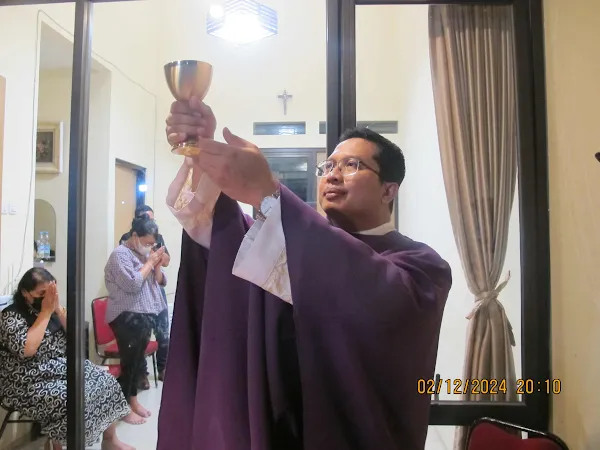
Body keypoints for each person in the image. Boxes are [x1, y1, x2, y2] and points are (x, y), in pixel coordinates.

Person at [158, 98, 452, 450]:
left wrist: (267, 193)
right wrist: (200, 152)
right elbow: (223, 241)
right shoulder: (283, 246)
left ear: (389, 190)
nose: (333, 174)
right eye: (328, 165)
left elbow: (376, 300)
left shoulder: (422, 267)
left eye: (352, 165)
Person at [0, 268, 137, 450]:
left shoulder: (50, 309)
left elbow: (76, 336)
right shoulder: (11, 316)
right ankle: (59, 445)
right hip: (26, 380)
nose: (46, 298)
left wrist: (57, 309)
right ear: (25, 292)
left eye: (51, 292)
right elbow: (28, 349)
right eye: (41, 293)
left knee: (106, 381)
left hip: (59, 369)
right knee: (74, 396)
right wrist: (46, 313)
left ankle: (110, 440)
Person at [105, 215, 168, 421]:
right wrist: (149, 262)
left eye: (151, 244)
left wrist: (156, 264)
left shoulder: (144, 255)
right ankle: (122, 409)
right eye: (146, 242)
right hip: (125, 316)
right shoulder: (120, 255)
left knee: (136, 362)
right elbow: (132, 284)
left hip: (144, 315)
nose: (148, 247)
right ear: (134, 235)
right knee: (129, 363)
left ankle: (132, 401)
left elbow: (160, 281)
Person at [119, 205, 171, 389]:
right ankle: (141, 374)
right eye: (147, 218)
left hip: (156, 288)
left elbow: (166, 260)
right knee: (140, 335)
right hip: (138, 292)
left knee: (163, 331)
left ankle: (163, 368)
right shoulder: (126, 238)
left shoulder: (158, 237)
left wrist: (157, 257)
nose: (151, 222)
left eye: (152, 219)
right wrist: (148, 259)